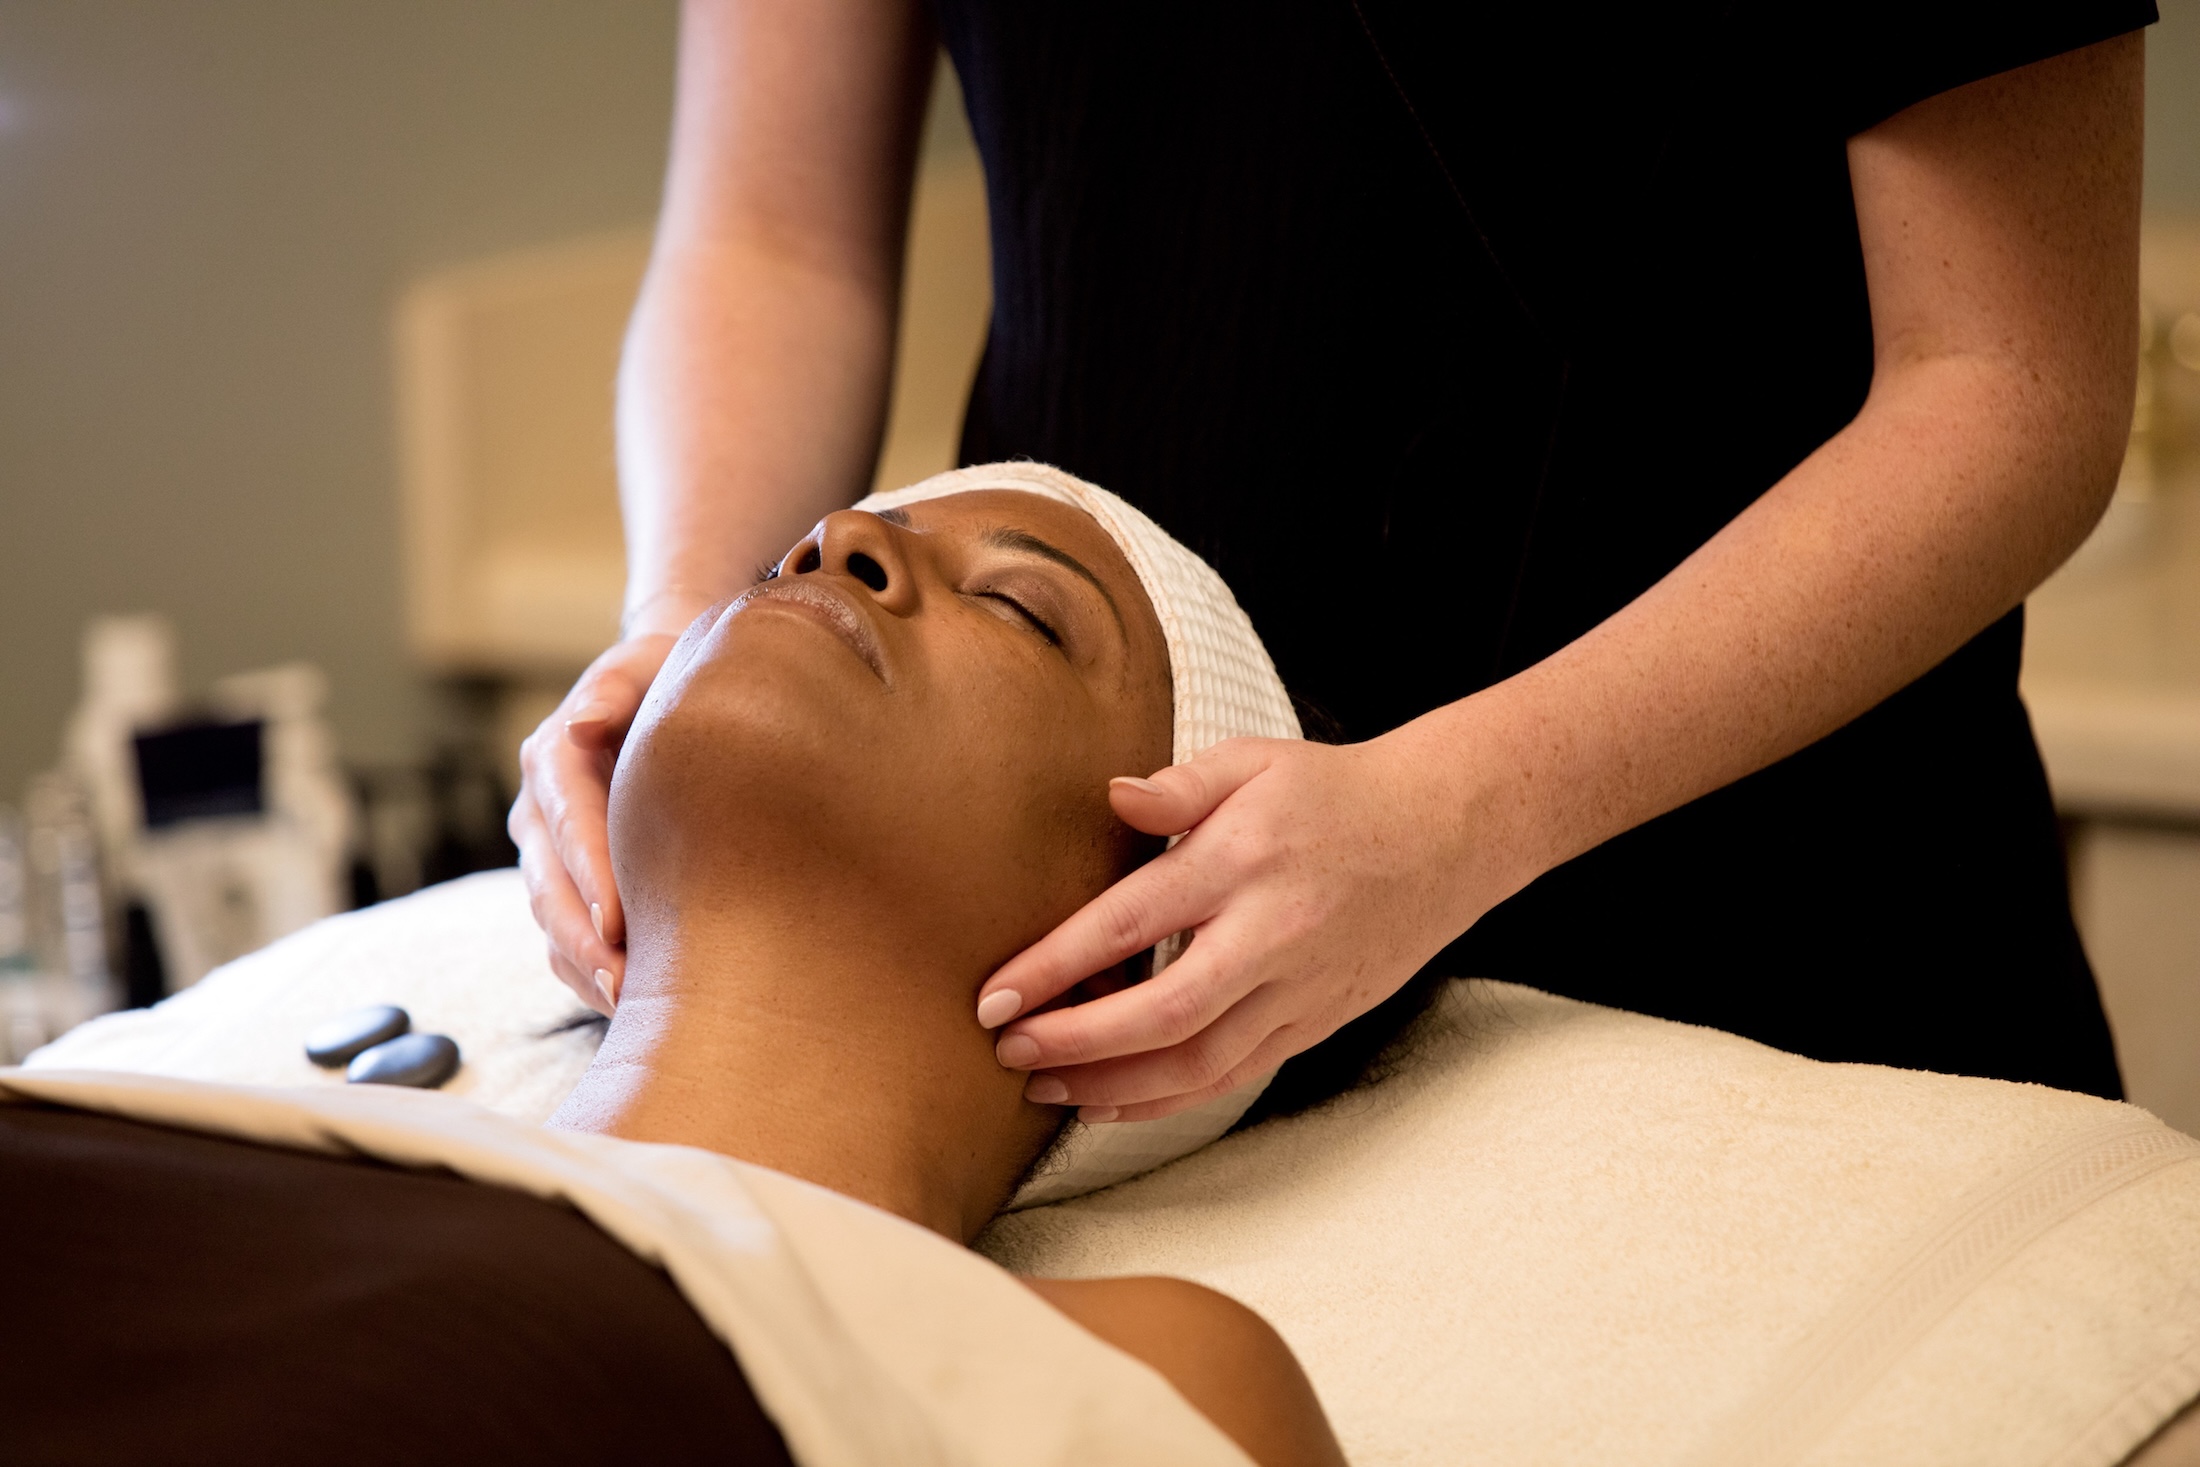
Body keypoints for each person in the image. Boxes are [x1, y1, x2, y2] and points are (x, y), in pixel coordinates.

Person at [513, 2, 2151, 1126]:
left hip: (1788, 941)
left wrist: (1470, 804)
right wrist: (680, 630)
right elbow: (769, 239)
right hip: (1117, 968)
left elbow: (2010, 389)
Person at [546, 480, 1346, 1467]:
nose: (835, 538)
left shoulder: (1136, 1381)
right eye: (773, 565)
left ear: (1135, 961)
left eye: (1018, 607)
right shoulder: (320, 1157)